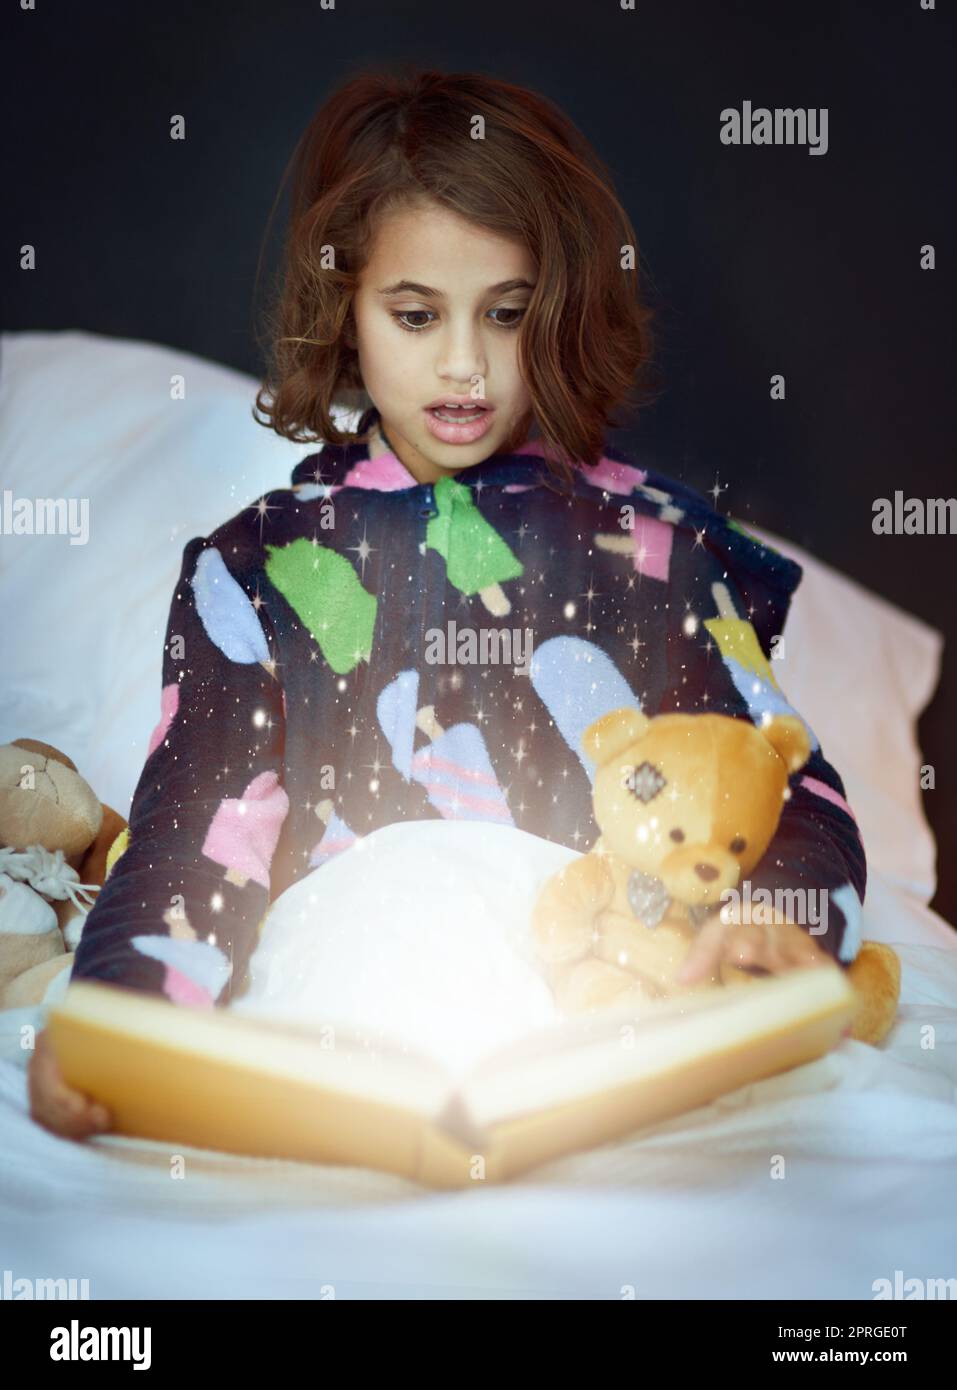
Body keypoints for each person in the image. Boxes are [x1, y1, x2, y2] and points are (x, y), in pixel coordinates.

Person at [29, 68, 864, 1138]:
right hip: (347, 1032)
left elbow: (791, 792)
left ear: (559, 312)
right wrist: (113, 1022)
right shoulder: (259, 566)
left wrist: (772, 926)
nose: (464, 366)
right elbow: (198, 830)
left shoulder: (653, 549)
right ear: (347, 309)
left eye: (507, 314)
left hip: (614, 1024)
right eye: (415, 314)